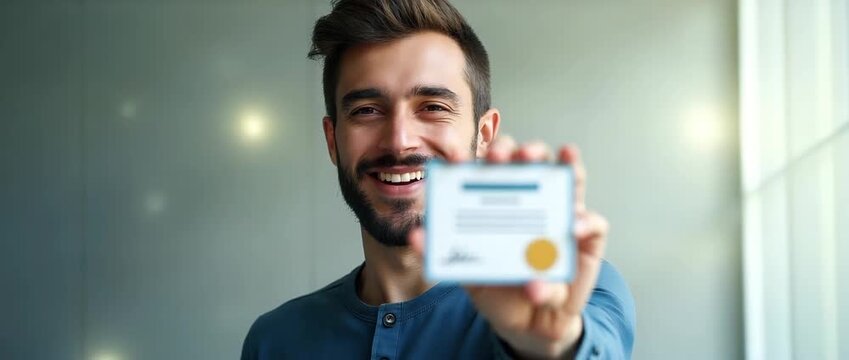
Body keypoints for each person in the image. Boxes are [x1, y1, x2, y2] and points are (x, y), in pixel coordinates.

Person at [241, 0, 635, 358]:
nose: (398, 140)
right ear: (333, 140)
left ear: (483, 135)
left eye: (432, 106)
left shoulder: (570, 292)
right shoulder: (275, 340)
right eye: (366, 110)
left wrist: (552, 347)